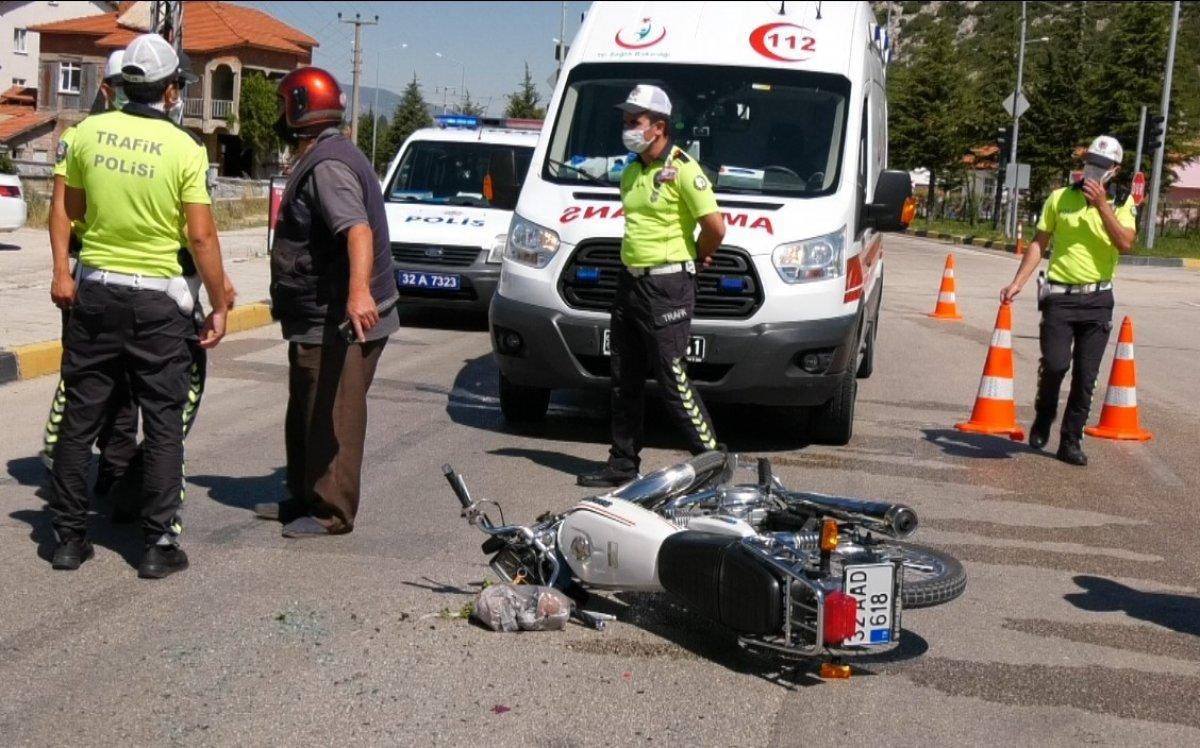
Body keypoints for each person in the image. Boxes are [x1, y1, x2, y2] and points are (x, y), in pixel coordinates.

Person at [48, 33, 229, 576]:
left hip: (96, 293)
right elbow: (200, 237)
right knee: (164, 421)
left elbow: (67, 210)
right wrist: (220, 303)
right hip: (158, 304)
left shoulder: (86, 134)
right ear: (172, 90)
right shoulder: (185, 148)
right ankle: (157, 546)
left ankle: (68, 539)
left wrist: (62, 270)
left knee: (81, 419)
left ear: (125, 83)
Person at [252, 67, 398, 538]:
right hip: (316, 314)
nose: (278, 113)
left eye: (283, 104)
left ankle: (332, 511)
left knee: (334, 413)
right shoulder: (323, 154)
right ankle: (304, 495)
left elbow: (356, 230)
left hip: (340, 317)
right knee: (307, 409)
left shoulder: (329, 166)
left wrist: (359, 293)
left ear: (300, 107)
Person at [577, 85, 726, 488]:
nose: (627, 128)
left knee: (672, 376)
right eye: (625, 120)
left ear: (658, 127)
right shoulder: (631, 170)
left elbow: (715, 227)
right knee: (623, 377)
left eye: (635, 121)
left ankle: (713, 461)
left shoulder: (684, 169)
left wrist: (696, 254)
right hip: (630, 283)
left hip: (667, 286)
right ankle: (622, 464)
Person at [1001, 135, 1136, 466]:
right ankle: (1044, 413)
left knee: (1085, 376)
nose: (1094, 169)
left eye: (1102, 166)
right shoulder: (1060, 198)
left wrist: (1103, 205)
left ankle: (1071, 440)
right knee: (1057, 364)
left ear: (1114, 171)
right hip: (1059, 297)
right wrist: (1018, 281)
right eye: (1091, 162)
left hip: (1098, 298)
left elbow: (1125, 243)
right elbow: (1039, 243)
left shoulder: (1123, 204)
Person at [42, 49, 138, 496]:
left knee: (128, 388)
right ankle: (75, 483)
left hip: (140, 281)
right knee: (87, 384)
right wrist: (62, 271)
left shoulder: (156, 137)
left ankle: (116, 470)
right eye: (120, 85)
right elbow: (60, 210)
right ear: (106, 88)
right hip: (88, 271)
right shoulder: (80, 137)